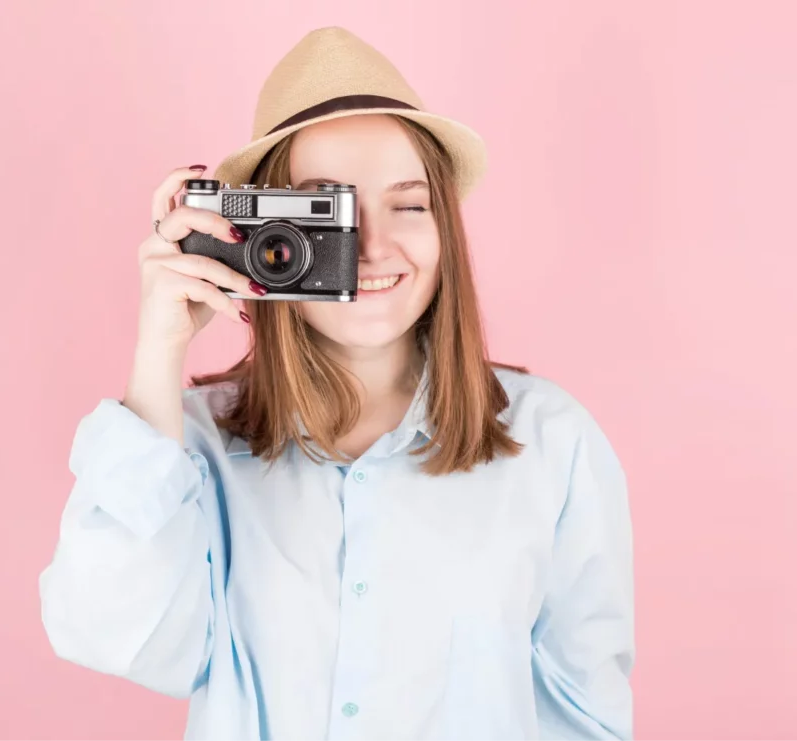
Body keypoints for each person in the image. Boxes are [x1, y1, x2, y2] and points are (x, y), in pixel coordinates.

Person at [39, 26, 634, 741]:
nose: (372, 246)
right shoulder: (183, 444)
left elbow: (586, 714)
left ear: (446, 227)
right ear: (258, 231)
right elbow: (109, 634)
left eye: (409, 205)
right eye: (326, 208)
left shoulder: (551, 441)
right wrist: (159, 349)